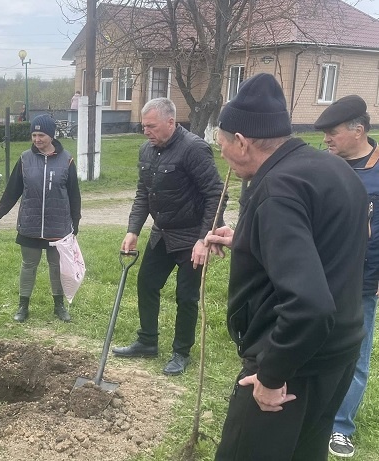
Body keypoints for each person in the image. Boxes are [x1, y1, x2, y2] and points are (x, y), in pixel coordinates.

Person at [204, 73, 367, 461]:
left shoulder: (277, 189)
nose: (223, 155)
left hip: (293, 365)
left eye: (222, 145)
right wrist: (248, 240)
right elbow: (326, 247)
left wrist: (272, 375)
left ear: (241, 142)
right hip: (338, 355)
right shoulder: (335, 170)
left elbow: (309, 305)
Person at [111, 97, 225, 376]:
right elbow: (143, 193)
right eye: (144, 126)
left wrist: (204, 239)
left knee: (186, 296)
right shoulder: (146, 150)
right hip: (161, 234)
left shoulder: (194, 149)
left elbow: (216, 194)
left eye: (151, 126)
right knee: (146, 283)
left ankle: (181, 352)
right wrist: (133, 230)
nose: (145, 131)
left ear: (171, 122)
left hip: (191, 237)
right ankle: (147, 341)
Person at [313, 95, 379, 458]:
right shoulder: (323, 164)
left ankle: (340, 427)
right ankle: (309, 408)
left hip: (362, 281)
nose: (326, 139)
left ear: (358, 130)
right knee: (311, 342)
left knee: (355, 356)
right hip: (318, 275)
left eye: (333, 132)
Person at [0, 114, 81, 323]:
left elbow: (74, 194)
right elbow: (12, 191)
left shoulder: (67, 159)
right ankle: (23, 306)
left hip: (58, 225)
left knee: (56, 266)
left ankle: (59, 306)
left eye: (42, 135)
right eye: (34, 135)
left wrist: (75, 221)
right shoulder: (24, 159)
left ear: (51, 136)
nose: (37, 139)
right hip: (30, 224)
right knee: (28, 265)